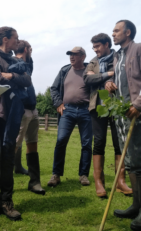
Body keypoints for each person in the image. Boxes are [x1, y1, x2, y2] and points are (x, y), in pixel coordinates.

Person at [0, 27, 31, 224]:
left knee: (8, 157)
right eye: (15, 38)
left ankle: (6, 202)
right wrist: (12, 77)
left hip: (12, 115)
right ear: (5, 39)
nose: (18, 41)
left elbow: (27, 79)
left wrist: (11, 76)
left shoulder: (16, 60)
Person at [83, 33, 132, 198]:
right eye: (93, 47)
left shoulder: (119, 57)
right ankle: (99, 182)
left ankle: (120, 181)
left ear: (106, 44)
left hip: (117, 105)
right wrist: (107, 75)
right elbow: (87, 79)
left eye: (97, 46)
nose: (95, 50)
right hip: (98, 107)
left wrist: (108, 75)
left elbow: (123, 74)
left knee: (119, 143)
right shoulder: (92, 62)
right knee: (99, 142)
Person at [106, 20, 141, 231]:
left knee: (140, 162)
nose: (113, 34)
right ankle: (136, 205)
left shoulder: (138, 50)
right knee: (131, 163)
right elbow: (119, 80)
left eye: (116, 30)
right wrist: (108, 84)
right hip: (122, 116)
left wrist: (138, 104)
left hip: (137, 115)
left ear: (128, 32)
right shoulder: (117, 55)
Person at [48, 47, 92, 187]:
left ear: (83, 57)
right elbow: (54, 88)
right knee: (61, 140)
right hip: (67, 110)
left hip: (86, 111)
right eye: (70, 55)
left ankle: (83, 175)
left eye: (75, 55)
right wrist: (58, 103)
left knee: (86, 144)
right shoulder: (64, 70)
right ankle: (56, 174)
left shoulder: (90, 71)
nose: (72, 57)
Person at [13, 40, 45, 195]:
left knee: (32, 144)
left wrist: (28, 55)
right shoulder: (15, 63)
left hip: (32, 110)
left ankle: (34, 182)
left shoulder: (27, 65)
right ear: (26, 49)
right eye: (30, 49)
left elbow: (30, 65)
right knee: (13, 146)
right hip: (21, 110)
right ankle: (6, 185)